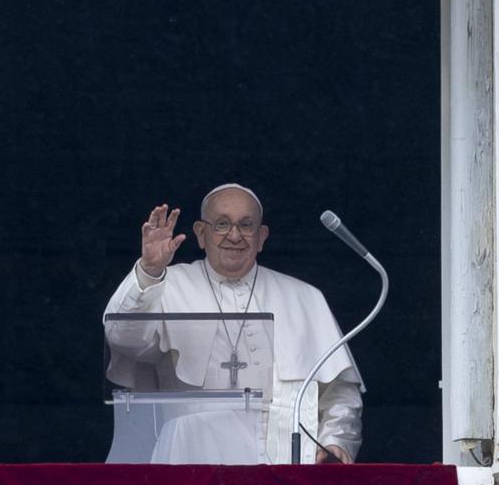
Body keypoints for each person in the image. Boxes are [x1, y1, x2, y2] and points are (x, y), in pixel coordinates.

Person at [104, 183, 363, 464]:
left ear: (261, 236)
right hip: (190, 461)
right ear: (201, 234)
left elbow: (339, 392)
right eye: (221, 224)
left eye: (246, 225)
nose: (235, 235)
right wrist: (150, 270)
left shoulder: (304, 297)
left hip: (285, 464)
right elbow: (124, 339)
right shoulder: (165, 286)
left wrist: (335, 442)